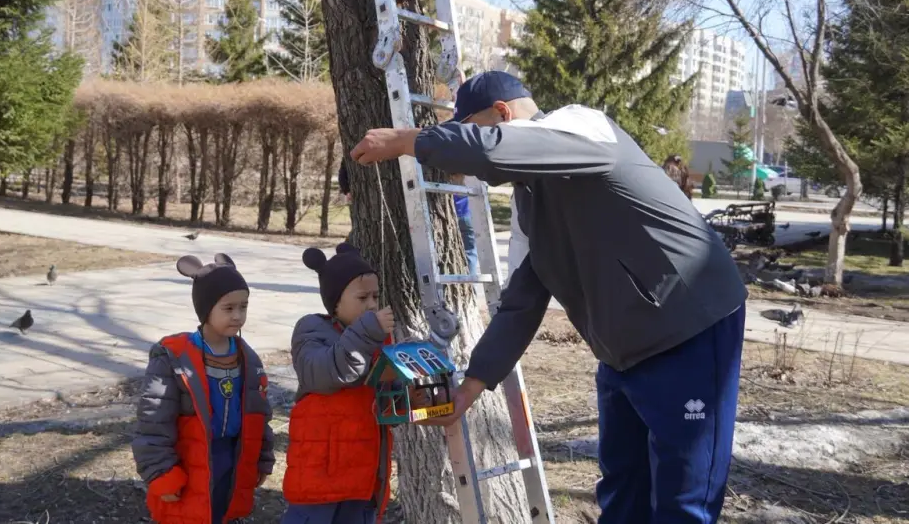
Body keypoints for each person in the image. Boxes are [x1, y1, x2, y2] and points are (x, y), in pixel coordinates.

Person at [350, 70, 747, 524]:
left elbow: (494, 149)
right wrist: (472, 385)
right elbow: (522, 301)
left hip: (689, 325)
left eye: (474, 127)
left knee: (682, 500)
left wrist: (407, 141)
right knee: (623, 489)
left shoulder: (583, 127)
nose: (467, 150)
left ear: (503, 114)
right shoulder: (530, 202)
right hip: (624, 352)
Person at [132, 253, 275, 524]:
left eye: (243, 307)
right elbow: (154, 420)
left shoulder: (248, 358)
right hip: (190, 460)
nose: (238, 316)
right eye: (228, 308)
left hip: (232, 458)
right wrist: (161, 472)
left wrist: (261, 459)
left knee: (223, 513)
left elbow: (260, 414)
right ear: (206, 308)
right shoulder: (174, 357)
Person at [281, 243, 396, 524]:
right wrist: (368, 332)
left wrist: (407, 392)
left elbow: (384, 400)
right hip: (320, 476)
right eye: (362, 297)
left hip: (363, 472)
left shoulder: (377, 339)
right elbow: (328, 372)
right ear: (335, 302)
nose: (371, 304)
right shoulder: (311, 330)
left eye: (376, 296)